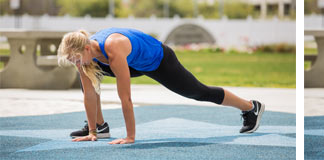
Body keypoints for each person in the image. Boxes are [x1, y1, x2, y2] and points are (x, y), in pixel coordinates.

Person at [58, 28, 265, 144]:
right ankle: (100, 127)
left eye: (76, 59)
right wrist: (92, 132)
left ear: (86, 48)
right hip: (133, 62)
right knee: (89, 80)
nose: (76, 64)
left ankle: (250, 107)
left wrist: (130, 137)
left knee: (198, 92)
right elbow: (89, 95)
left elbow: (126, 98)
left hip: (158, 60)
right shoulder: (86, 57)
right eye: (72, 61)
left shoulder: (113, 47)